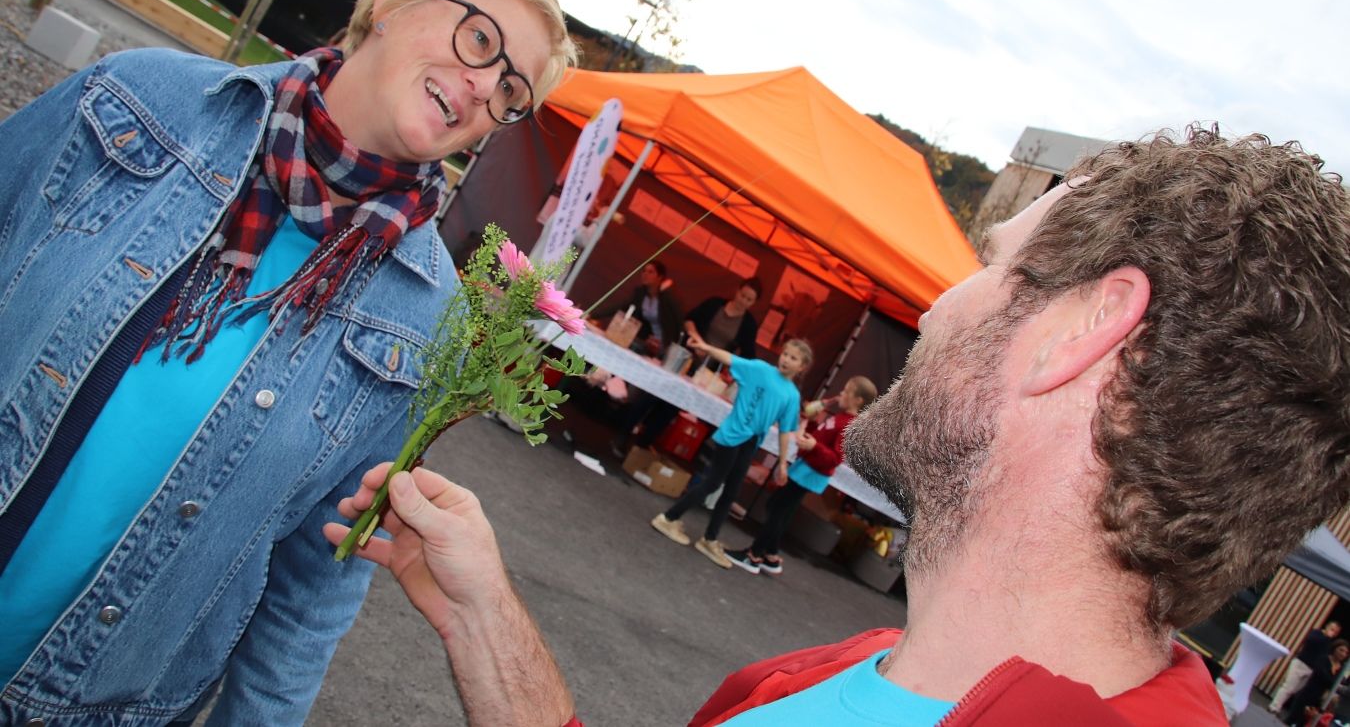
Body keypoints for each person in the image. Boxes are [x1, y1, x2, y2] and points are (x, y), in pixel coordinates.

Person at [329, 128, 1350, 726]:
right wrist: (485, 620)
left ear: (1080, 333)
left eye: (992, 267)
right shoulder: (834, 672)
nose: (940, 308)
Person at [0, 0, 576, 725]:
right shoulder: (138, 101)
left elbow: (314, 586)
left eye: (511, 91)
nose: (483, 88)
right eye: (480, 40)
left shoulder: (426, 319)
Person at [650, 336, 811, 569]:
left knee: (731, 491)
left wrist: (783, 463)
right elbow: (730, 358)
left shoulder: (793, 396)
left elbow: (786, 431)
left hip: (751, 441)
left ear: (802, 367)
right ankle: (669, 518)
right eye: (785, 354)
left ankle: (709, 539)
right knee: (713, 483)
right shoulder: (759, 369)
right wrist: (706, 347)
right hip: (733, 433)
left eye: (793, 358)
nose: (786, 359)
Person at [725, 376, 878, 576]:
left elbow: (835, 458)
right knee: (779, 508)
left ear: (858, 400)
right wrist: (813, 425)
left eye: (847, 391)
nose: (842, 393)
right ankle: (770, 555)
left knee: (778, 508)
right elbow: (821, 437)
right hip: (806, 467)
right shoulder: (840, 418)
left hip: (812, 472)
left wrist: (814, 446)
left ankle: (754, 554)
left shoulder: (850, 426)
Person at [620, 278, 764, 451]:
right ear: (737, 290)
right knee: (652, 393)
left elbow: (748, 356)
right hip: (684, 356)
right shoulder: (715, 303)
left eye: (749, 300)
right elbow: (689, 319)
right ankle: (623, 434)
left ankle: (642, 445)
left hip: (705, 372)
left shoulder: (748, 324)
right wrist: (697, 339)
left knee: (672, 406)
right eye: (743, 295)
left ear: (754, 303)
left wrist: (730, 368)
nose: (743, 301)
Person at [598, 259, 682, 356]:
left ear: (660, 277)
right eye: (644, 271)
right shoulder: (641, 293)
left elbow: (678, 321)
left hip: (666, 344)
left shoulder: (667, 297)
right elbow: (620, 307)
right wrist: (593, 314)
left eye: (650, 272)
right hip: (647, 342)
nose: (645, 274)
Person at [1273, 620, 1344, 716]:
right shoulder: (1317, 633)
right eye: (1332, 629)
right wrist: (1325, 636)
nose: (1333, 632)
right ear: (1327, 627)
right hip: (1301, 663)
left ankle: (1278, 706)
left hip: (1311, 668)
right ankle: (1274, 707)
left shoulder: (1328, 643)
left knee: (1295, 689)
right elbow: (1311, 641)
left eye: (1336, 632)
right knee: (1288, 686)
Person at [1285, 640, 1350, 727]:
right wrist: (1336, 685)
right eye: (1341, 650)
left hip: (1321, 699)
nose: (1343, 654)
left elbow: (1341, 683)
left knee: (1305, 722)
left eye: (1346, 652)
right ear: (1334, 648)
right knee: (1293, 718)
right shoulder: (1323, 659)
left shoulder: (1341, 669)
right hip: (1308, 693)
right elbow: (1322, 675)